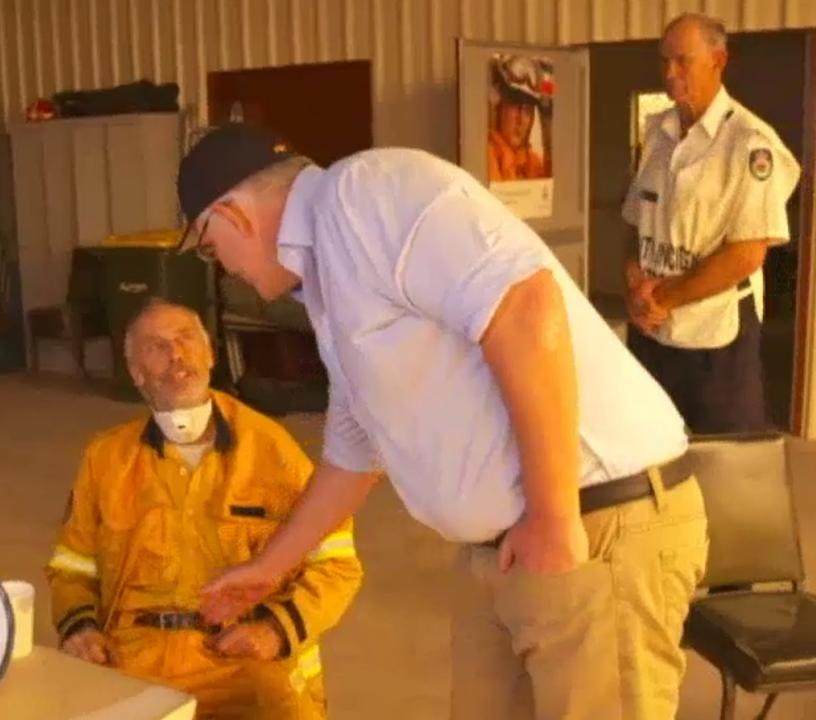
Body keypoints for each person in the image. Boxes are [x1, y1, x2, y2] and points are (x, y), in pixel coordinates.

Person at [177, 123, 705, 719]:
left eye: (207, 245)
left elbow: (525, 307)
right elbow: (355, 447)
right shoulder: (327, 279)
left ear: (234, 215)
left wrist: (554, 519)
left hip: (591, 522)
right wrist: (270, 568)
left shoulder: (367, 194)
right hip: (505, 548)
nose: (220, 265)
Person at [46, 300, 361, 719]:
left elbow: (337, 565)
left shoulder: (273, 451)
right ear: (137, 374)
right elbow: (72, 567)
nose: (177, 355)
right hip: (135, 657)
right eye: (157, 347)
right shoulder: (105, 459)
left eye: (185, 339)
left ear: (210, 354)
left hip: (243, 655)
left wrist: (274, 630)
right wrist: (79, 627)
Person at [624, 13, 799, 433]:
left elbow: (745, 255)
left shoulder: (751, 144)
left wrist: (663, 297)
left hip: (716, 342)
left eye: (683, 61)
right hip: (654, 335)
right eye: (664, 60)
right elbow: (634, 224)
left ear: (719, 60)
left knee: (724, 466)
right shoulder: (657, 135)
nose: (669, 73)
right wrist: (633, 285)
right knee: (656, 451)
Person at [487, 55, 552, 182]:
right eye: (515, 106)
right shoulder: (485, 155)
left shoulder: (533, 162)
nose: (521, 120)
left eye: (528, 110)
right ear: (499, 106)